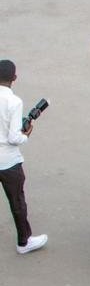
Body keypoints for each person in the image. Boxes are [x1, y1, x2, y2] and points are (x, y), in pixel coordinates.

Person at [0, 60, 47, 255]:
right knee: (17, 201)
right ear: (14, 78)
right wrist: (25, 135)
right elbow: (13, 138)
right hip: (8, 161)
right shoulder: (14, 101)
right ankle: (24, 241)